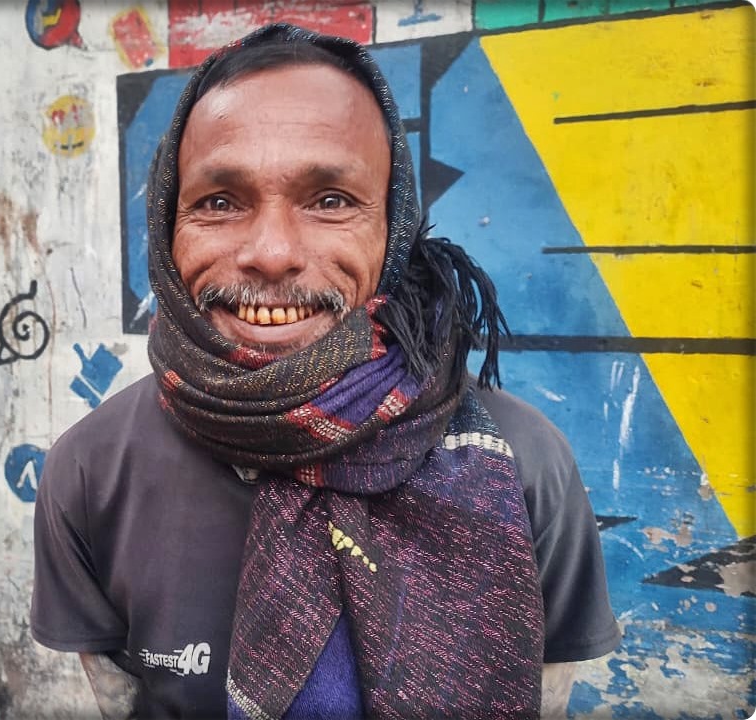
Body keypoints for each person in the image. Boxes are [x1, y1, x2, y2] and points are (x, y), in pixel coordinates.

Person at [31, 24, 620, 720]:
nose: (272, 252)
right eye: (219, 202)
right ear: (167, 229)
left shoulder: (522, 466)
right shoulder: (91, 472)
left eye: (331, 200)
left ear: (393, 229)